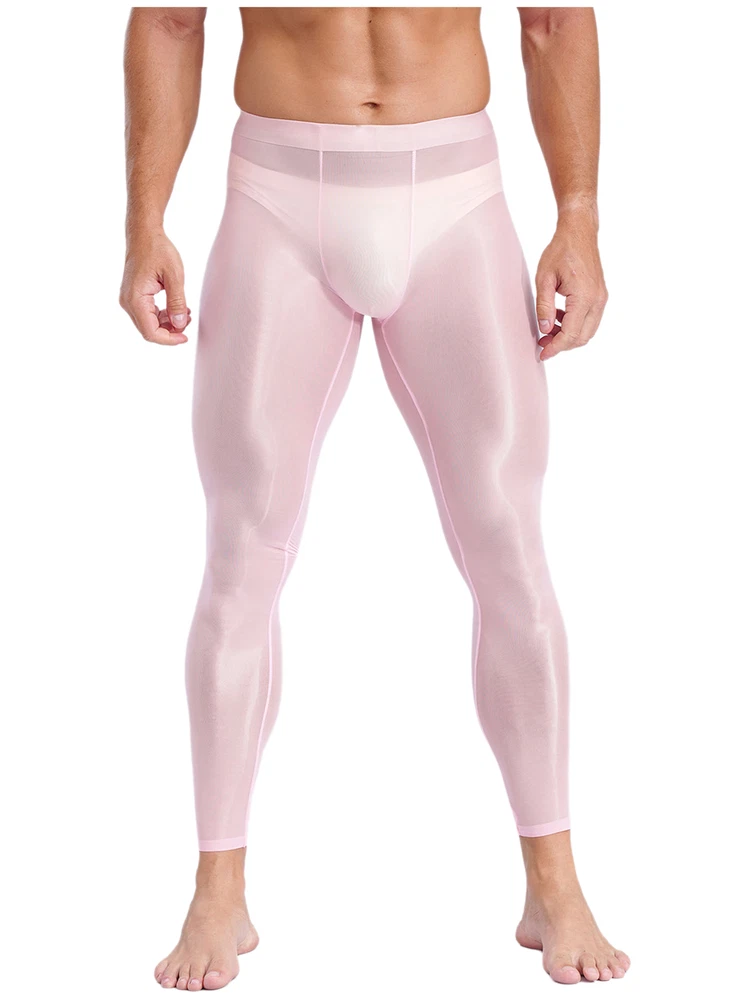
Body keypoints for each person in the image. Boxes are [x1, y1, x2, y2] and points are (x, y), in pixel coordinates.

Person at [120, 6, 629, 991]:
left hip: (456, 198)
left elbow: (554, 19)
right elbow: (171, 22)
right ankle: (218, 888)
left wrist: (578, 214)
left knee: (509, 544)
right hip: (277, 197)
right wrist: (146, 224)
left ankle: (554, 883)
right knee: (242, 552)